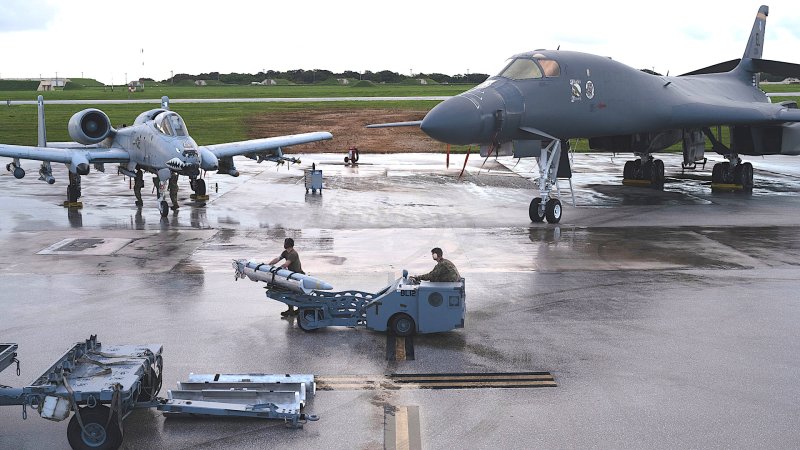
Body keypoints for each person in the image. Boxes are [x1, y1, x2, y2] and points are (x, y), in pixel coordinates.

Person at [269, 238, 304, 316]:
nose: (284, 244)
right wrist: (269, 264)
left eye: (285, 243)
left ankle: (299, 309)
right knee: (289, 293)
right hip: (290, 275)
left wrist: (278, 269)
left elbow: (286, 264)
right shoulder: (285, 252)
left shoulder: (293, 254)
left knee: (297, 294)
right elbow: (277, 259)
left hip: (297, 275)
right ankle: (290, 310)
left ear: (288, 244)